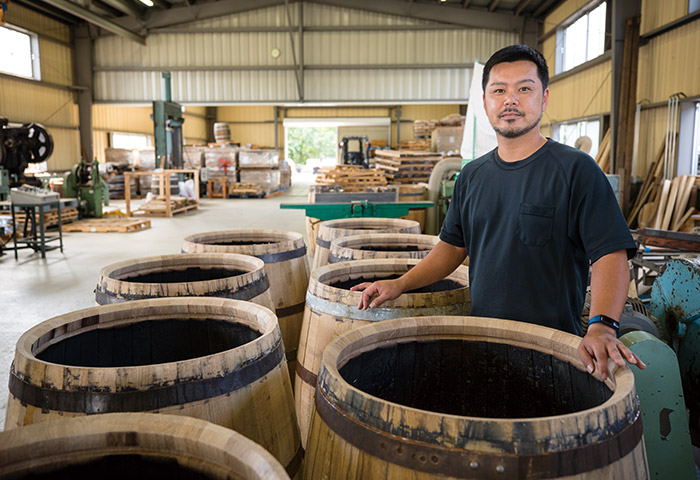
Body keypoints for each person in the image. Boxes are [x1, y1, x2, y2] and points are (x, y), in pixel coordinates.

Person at [352, 44, 646, 380]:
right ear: (485, 102)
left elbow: (610, 253)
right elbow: (452, 248)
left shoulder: (576, 170)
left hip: (553, 352)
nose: (510, 100)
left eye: (524, 88)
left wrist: (603, 326)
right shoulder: (472, 176)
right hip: (484, 343)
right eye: (499, 90)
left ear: (544, 98)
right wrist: (400, 284)